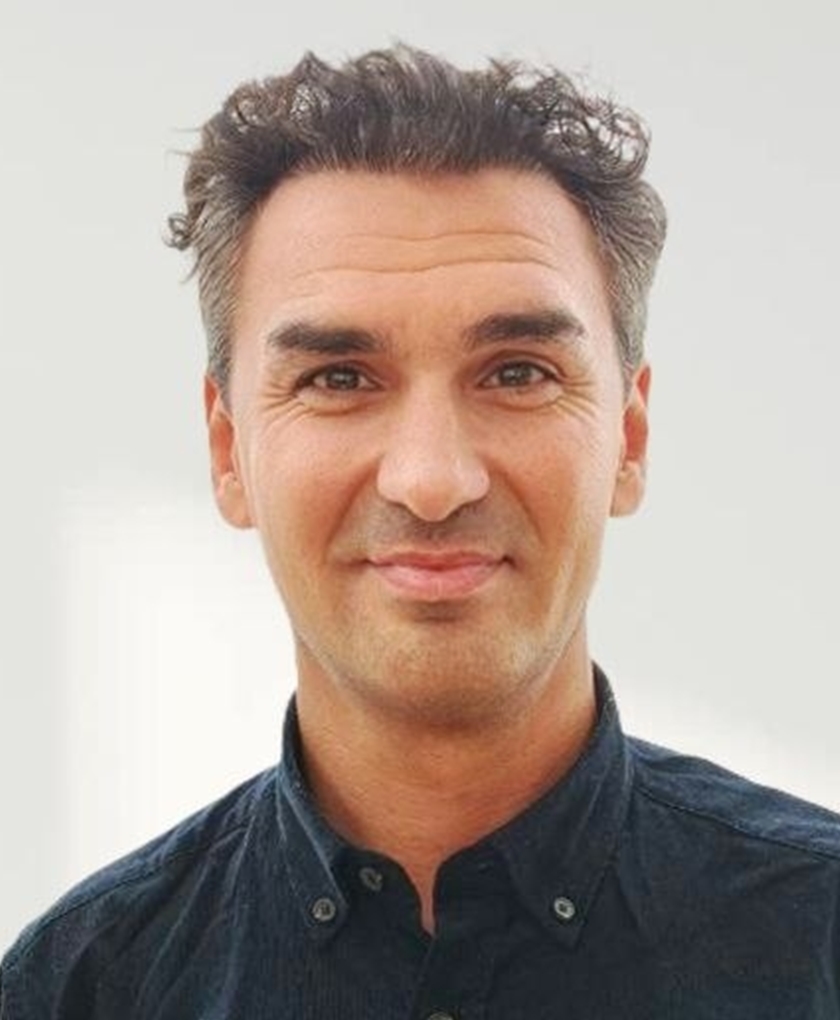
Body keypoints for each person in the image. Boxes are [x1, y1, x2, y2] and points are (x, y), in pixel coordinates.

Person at [2, 43, 838, 1018]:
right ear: (229, 451)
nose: (433, 481)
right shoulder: (80, 989)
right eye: (339, 379)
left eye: (517, 373)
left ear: (630, 435)